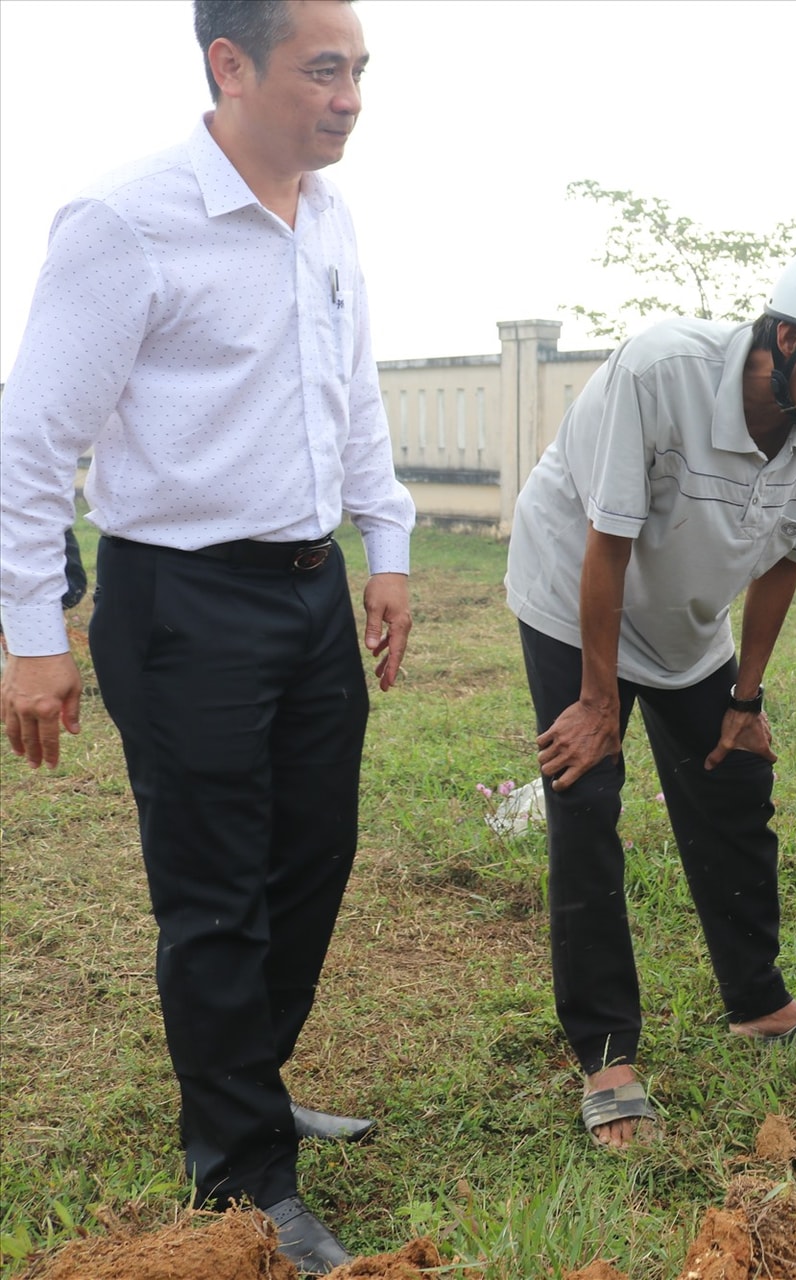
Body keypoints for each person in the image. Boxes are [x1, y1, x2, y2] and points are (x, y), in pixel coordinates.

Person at [0, 1, 413, 1269]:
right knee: (216, 890)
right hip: (181, 601)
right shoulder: (124, 224)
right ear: (230, 66)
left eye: (362, 72)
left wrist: (384, 547)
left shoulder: (327, 218)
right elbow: (32, 441)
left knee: (311, 858)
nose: (350, 97)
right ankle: (239, 1167)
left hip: (306, 591)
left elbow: (354, 395)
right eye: (324, 70)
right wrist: (32, 633)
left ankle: (246, 1074)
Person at [505, 241, 796, 1147]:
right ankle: (605, 1053)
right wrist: (596, 703)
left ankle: (759, 1002)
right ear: (785, 340)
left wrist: (745, 697)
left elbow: (786, 556)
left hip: (686, 619)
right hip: (574, 596)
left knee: (732, 782)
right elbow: (607, 541)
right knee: (585, 798)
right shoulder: (659, 372)